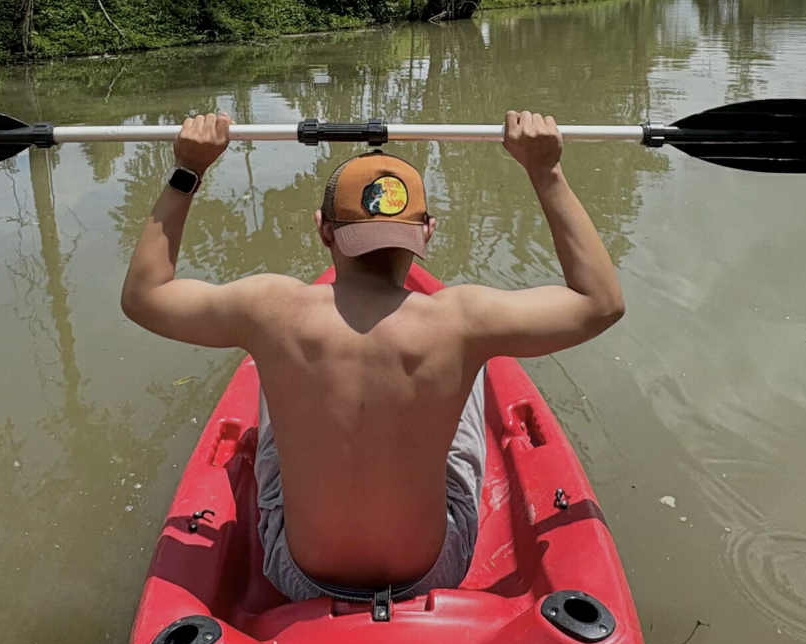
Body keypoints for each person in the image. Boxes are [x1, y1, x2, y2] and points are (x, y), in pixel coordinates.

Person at [120, 109, 624, 601]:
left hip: (296, 575)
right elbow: (600, 304)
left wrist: (189, 169)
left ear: (323, 229)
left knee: (272, 362)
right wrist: (546, 170)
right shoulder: (460, 320)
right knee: (475, 359)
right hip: (430, 573)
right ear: (427, 230)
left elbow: (144, 298)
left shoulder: (272, 310)